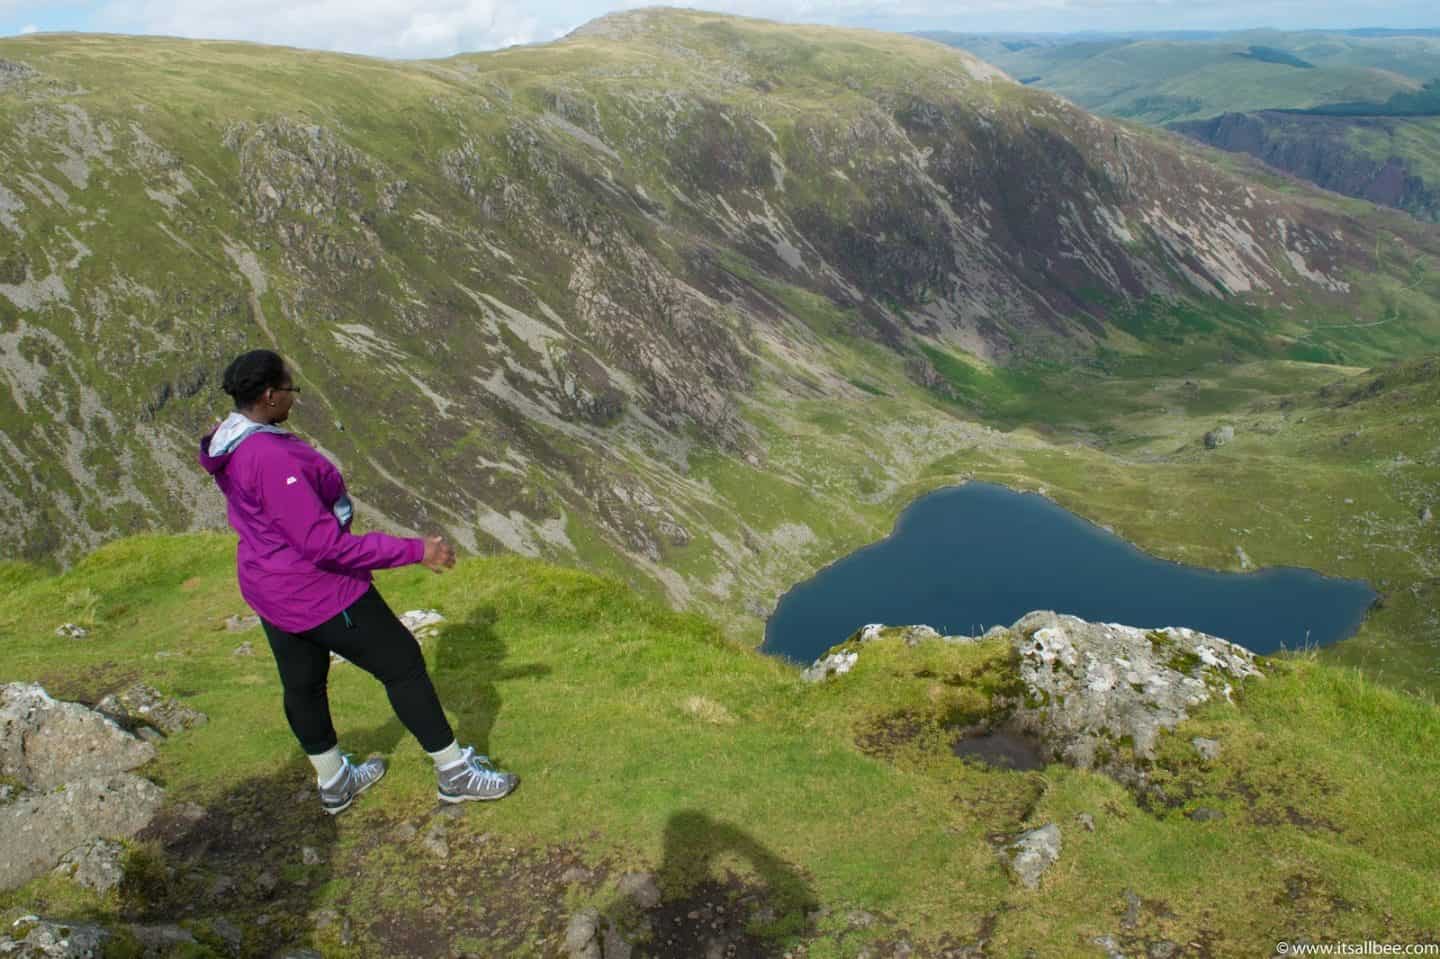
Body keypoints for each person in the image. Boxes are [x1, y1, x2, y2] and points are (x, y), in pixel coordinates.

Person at [198, 348, 518, 814]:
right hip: (320, 591)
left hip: (270, 587)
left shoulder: (231, 441)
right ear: (268, 396)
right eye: (290, 389)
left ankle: (335, 782)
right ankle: (455, 772)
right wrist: (415, 550)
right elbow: (322, 544)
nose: (294, 397)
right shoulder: (270, 458)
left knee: (303, 684)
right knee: (402, 663)